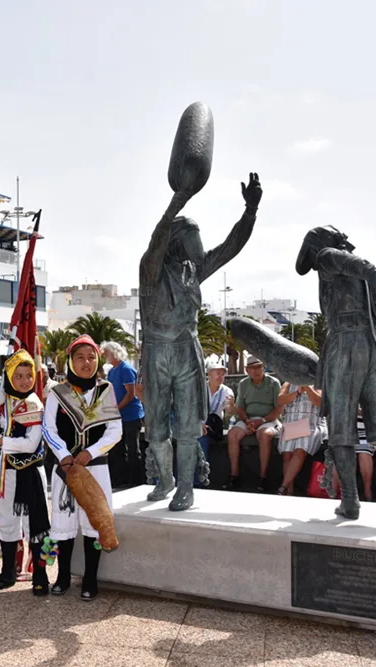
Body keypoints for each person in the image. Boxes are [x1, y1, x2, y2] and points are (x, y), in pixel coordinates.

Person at [138, 172, 263, 510]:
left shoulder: (193, 270)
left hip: (187, 352)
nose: (199, 246)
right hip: (157, 352)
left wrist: (250, 211)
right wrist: (181, 197)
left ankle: (185, 488)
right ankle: (164, 479)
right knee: (157, 428)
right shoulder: (151, 268)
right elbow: (157, 236)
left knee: (189, 426)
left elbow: (230, 248)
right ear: (176, 241)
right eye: (193, 238)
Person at [296, 225, 376, 527]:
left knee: (341, 426)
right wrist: (373, 275)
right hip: (373, 344)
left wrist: (375, 273)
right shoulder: (347, 269)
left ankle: (350, 501)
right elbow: (352, 265)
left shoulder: (327, 256)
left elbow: (351, 262)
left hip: (347, 343)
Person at [42, 335, 122, 601]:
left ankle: (90, 579)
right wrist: (64, 457)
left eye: (91, 357)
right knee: (64, 522)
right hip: (66, 469)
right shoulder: (58, 392)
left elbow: (115, 430)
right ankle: (63, 576)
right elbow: (48, 428)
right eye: (80, 357)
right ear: (70, 361)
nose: (86, 362)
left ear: (97, 360)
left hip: (96, 467)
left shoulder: (105, 390)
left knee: (94, 521)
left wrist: (90, 452)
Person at [0, 349, 50, 595]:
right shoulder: (2, 401)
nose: (25, 380)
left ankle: (40, 575)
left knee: (33, 525)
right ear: (8, 376)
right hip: (5, 473)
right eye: (18, 375)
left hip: (29, 474)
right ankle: (8, 573)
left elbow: (30, 444)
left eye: (28, 375)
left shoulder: (34, 403)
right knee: (6, 522)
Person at [225, 358, 283, 492]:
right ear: (247, 370)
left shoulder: (273, 383)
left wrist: (261, 421)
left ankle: (263, 478)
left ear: (264, 368)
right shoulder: (243, 383)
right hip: (248, 419)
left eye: (259, 367)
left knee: (264, 435)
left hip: (268, 419)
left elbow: (279, 409)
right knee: (232, 434)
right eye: (252, 368)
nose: (256, 370)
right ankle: (234, 475)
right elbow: (240, 407)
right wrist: (247, 421)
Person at [102, 342, 145, 488]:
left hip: (131, 415)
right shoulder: (112, 371)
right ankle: (120, 479)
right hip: (118, 416)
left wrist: (116, 408)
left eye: (107, 352)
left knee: (133, 449)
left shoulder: (126, 369)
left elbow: (131, 394)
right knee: (117, 449)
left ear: (115, 353)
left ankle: (136, 481)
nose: (105, 355)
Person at [275, 383, 326, 496]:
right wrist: (297, 392)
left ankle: (283, 487)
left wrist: (307, 387)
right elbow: (280, 400)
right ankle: (289, 491)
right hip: (292, 423)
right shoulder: (288, 383)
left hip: (311, 424)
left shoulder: (319, 383)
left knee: (300, 450)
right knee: (287, 454)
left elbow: (319, 402)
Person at [199, 359, 234, 479]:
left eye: (223, 373)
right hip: (197, 425)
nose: (221, 376)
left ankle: (200, 480)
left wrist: (231, 406)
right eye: (218, 373)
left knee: (202, 441)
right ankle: (194, 481)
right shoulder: (200, 389)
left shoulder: (227, 391)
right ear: (209, 374)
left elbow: (229, 413)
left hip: (213, 428)